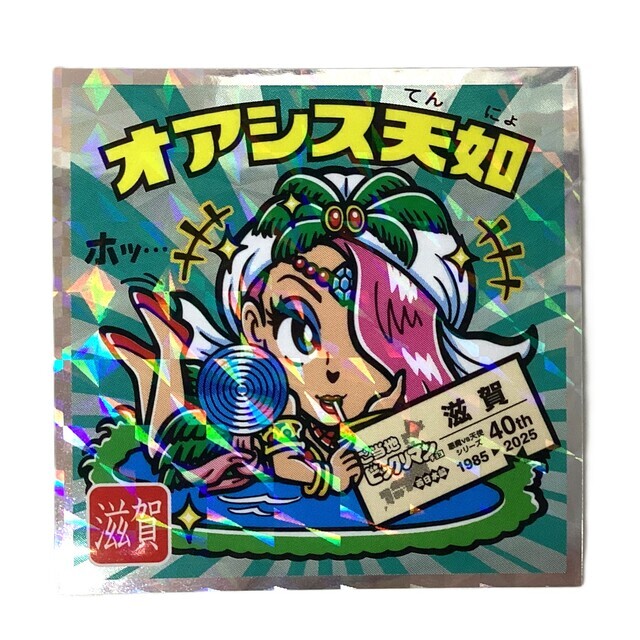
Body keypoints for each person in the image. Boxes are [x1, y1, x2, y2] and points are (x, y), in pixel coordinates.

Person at [103, 167, 535, 497]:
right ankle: (160, 366)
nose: (332, 370)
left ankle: (160, 364)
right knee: (186, 453)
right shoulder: (280, 417)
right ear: (255, 326)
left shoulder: (406, 419)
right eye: (301, 334)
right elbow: (283, 461)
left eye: (372, 347)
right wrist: (325, 478)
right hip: (240, 459)